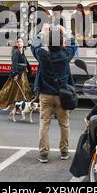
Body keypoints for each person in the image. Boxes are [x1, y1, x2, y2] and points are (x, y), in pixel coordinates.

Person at [31, 24, 78, 163]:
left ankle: (43, 154)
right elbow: (74, 44)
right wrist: (65, 31)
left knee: (44, 124)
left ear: (48, 43)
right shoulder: (65, 55)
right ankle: (64, 151)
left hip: (45, 94)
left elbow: (34, 45)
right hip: (62, 95)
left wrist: (42, 33)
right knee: (64, 124)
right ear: (61, 42)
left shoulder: (43, 55)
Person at [0, 37, 33, 109]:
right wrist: (15, 74)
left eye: (20, 41)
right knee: (18, 90)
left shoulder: (21, 51)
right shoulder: (16, 52)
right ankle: (17, 106)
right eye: (17, 42)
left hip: (22, 73)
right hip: (18, 74)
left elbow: (26, 62)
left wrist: (30, 70)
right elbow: (14, 64)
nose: (19, 43)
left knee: (22, 89)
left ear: (23, 43)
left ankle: (21, 106)